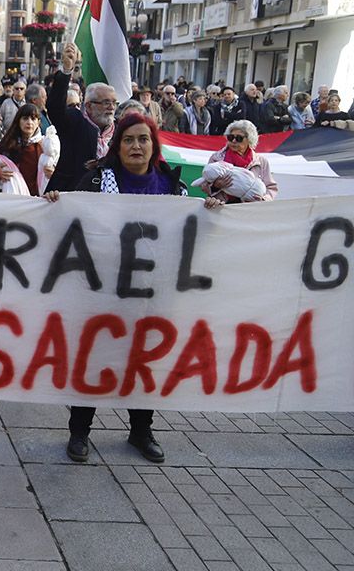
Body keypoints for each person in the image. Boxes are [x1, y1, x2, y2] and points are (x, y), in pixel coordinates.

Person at [45, 114, 222, 464]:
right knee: (93, 359)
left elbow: (193, 234)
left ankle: (141, 430)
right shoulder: (96, 180)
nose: (136, 146)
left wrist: (211, 213)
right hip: (102, 290)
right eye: (128, 140)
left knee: (143, 362)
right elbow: (70, 223)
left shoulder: (173, 186)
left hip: (153, 293)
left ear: (154, 145)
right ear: (118, 146)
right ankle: (80, 430)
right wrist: (55, 204)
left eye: (143, 139)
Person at [45, 43, 117, 193]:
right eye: (105, 102)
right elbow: (55, 108)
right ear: (89, 106)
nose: (111, 107)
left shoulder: (120, 131)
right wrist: (66, 71)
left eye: (113, 103)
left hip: (106, 198)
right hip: (70, 195)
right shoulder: (75, 121)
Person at [199, 120, 278, 203]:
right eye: (230, 137)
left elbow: (271, 187)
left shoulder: (261, 162)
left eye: (239, 138)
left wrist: (263, 200)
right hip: (221, 207)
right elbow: (204, 185)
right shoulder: (216, 158)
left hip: (250, 210)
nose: (233, 141)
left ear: (249, 140)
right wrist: (215, 186)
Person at [0, 103, 49, 196]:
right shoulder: (7, 143)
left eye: (33, 119)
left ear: (38, 122)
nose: (29, 122)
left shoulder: (45, 146)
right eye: (25, 118)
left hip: (35, 199)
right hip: (12, 199)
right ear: (18, 121)